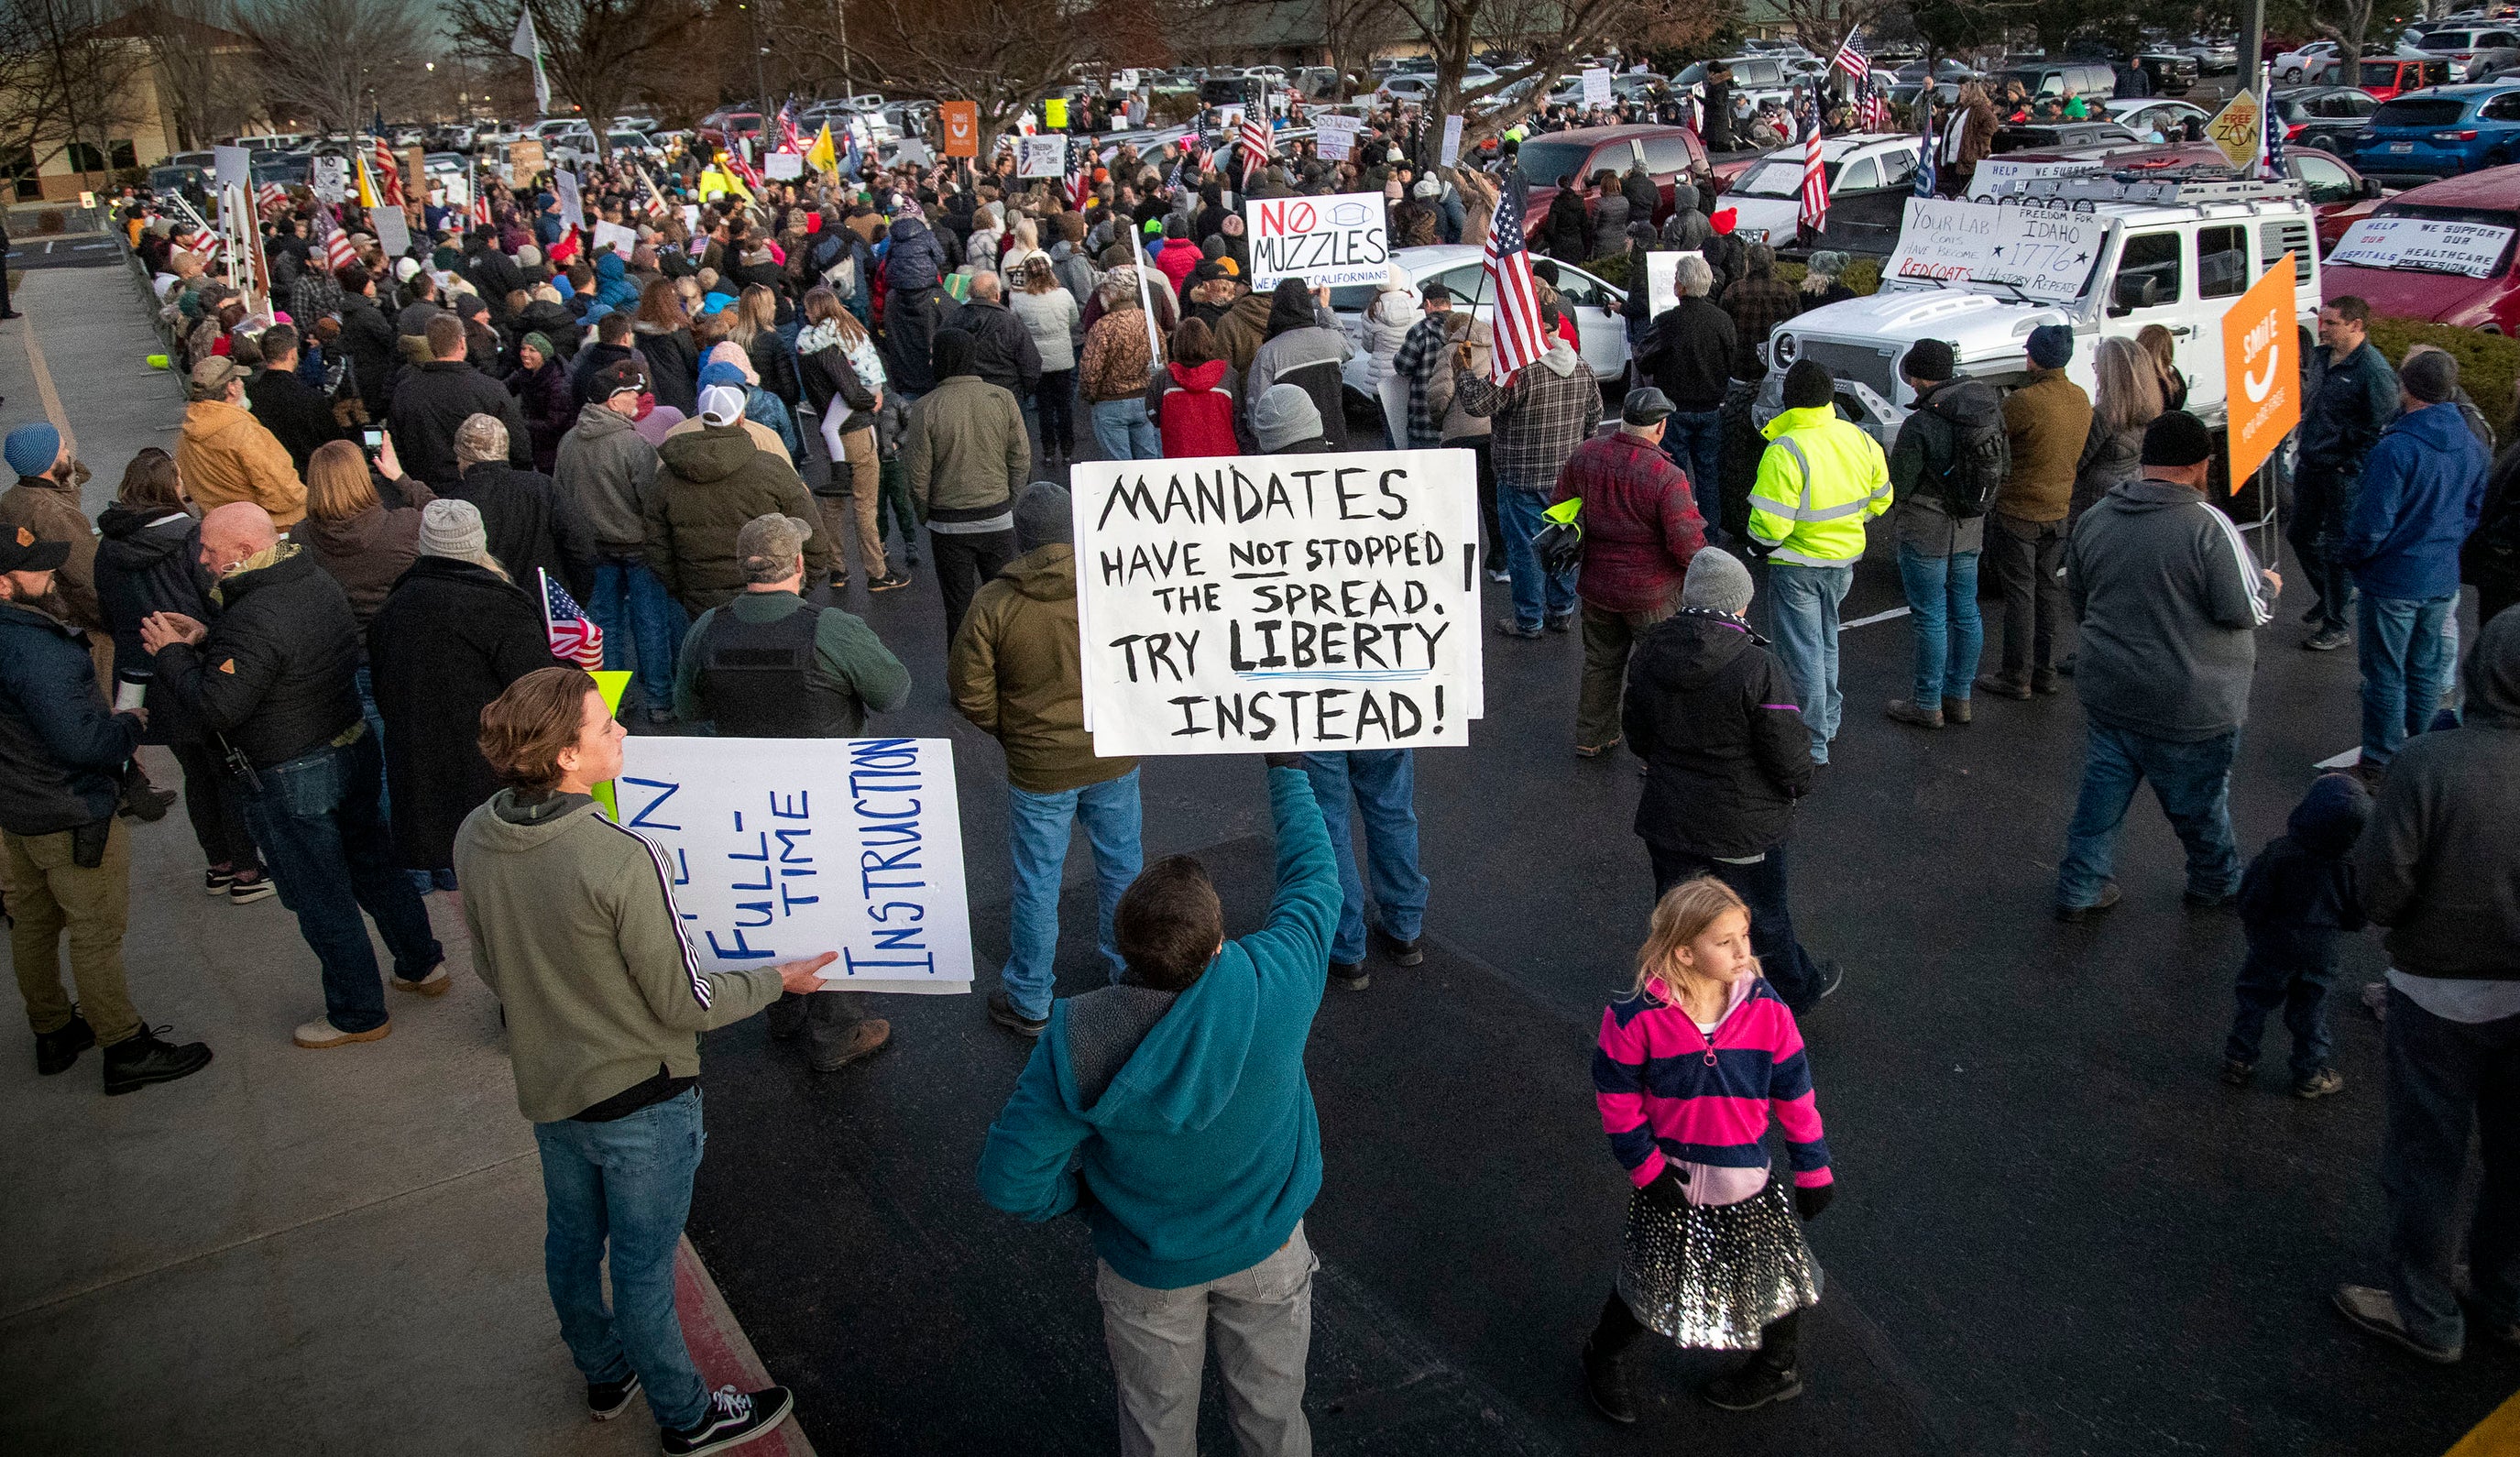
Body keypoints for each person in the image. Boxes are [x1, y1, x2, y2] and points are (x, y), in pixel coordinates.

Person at [455, 667, 822, 1455]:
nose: (623, 734)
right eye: (607, 728)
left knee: (571, 1241)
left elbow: (490, 969)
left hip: (550, 1087)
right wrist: (776, 979)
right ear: (565, 758)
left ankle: (602, 1369)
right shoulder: (619, 854)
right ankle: (689, 1417)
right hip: (641, 1098)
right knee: (646, 1269)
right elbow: (684, 1003)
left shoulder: (476, 832)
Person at [976, 756, 1339, 1457]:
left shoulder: (1076, 1037)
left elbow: (1007, 1179)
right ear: (1217, 941)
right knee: (1272, 1420)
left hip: (1146, 1271)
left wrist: (1083, 1202)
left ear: (1123, 948)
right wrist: (1288, 772)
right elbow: (1315, 876)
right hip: (1266, 1251)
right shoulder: (1278, 980)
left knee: (1156, 1431)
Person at [140, 502, 447, 1046]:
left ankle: (358, 1013)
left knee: (320, 894)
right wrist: (208, 640)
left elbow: (214, 707)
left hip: (290, 773)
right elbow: (278, 659)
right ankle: (422, 965)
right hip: (350, 745)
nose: (204, 560)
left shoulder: (252, 614)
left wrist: (171, 657)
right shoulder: (310, 580)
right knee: (374, 865)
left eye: (210, 549)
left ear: (242, 553)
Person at [2329, 611, 2520, 1364]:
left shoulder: (2428, 763)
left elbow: (2380, 890)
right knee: (2514, 1157)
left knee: (2427, 1153)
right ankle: (2504, 1298)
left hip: (2436, 992)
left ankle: (2427, 1312)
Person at [1583, 877, 1833, 1420]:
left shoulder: (1769, 1012)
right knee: (1648, 1278)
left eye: (1745, 936)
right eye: (1727, 941)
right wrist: (1647, 1170)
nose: (1745, 951)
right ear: (1684, 951)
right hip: (1668, 1182)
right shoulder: (1634, 1018)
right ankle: (1602, 1357)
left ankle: (1777, 1369)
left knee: (1776, 1278)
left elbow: (1796, 1094)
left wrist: (1813, 1168)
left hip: (1748, 1180)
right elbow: (1616, 1100)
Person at [675, 514, 908, 1072]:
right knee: (823, 899)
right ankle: (835, 1031)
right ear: (799, 565)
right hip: (825, 795)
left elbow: (689, 710)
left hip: (742, 793)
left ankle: (779, 1008)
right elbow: (894, 691)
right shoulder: (831, 629)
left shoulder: (707, 628)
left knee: (768, 889)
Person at [0, 524, 214, 1092]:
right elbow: (82, 744)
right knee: (94, 935)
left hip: (17, 811)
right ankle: (125, 1047)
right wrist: (125, 726)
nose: (49, 571)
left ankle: (53, 1031)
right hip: (70, 810)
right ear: (2, 585)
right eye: (33, 567)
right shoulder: (35, 648)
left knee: (34, 925)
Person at [2054, 412, 2278, 921]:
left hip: (2111, 689)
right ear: (2202, 465)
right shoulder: (2209, 526)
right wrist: (2269, 586)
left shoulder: (2096, 518)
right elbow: (2244, 609)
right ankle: (2215, 881)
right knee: (2199, 809)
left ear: (2146, 459)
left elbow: (2081, 599)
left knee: (2099, 803)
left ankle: (2080, 886)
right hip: (2191, 703)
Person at [948, 483, 1145, 1036]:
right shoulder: (1113, 585)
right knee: (1123, 869)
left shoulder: (995, 602)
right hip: (1113, 756)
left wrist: (1011, 731)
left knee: (1038, 880)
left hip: (1038, 768)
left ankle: (1030, 997)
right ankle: (1130, 979)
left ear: (1022, 539)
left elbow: (969, 690)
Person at [1624, 546, 1838, 1009]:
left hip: (1669, 819)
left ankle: (1683, 1001)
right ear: (1738, 602)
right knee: (1761, 919)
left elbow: (1637, 734)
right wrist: (1798, 786)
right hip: (1743, 829)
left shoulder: (1649, 652)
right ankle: (1794, 996)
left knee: (1680, 919)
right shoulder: (1755, 664)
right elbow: (1788, 752)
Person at [92, 448, 268, 904]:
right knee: (226, 770)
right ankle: (248, 871)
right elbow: (214, 597)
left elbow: (107, 610)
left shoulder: (109, 547)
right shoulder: (191, 537)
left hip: (147, 676)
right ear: (169, 487)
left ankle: (219, 864)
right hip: (193, 666)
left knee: (196, 773)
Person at [367, 499, 555, 882]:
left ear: (424, 546)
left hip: (423, 771)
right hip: (490, 775)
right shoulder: (500, 606)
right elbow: (537, 693)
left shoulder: (394, 608)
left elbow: (385, 694)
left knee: (461, 878)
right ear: (478, 542)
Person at [2338, 349, 2489, 775]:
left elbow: (2370, 526)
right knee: (2425, 670)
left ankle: (2381, 760)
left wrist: (2352, 558)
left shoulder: (2396, 448)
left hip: (2392, 580)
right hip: (2441, 577)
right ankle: (2418, 755)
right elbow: (2474, 509)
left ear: (2406, 388)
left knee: (2385, 675)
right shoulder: (2471, 444)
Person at [1747, 358, 1890, 764]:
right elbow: (1882, 497)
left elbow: (1770, 524)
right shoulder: (1859, 438)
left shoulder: (1786, 448)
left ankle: (1811, 743)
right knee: (1827, 642)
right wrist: (1852, 522)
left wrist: (1757, 547)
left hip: (1797, 566)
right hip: (1842, 562)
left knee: (1801, 652)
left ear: (1788, 400)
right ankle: (1827, 721)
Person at [1557, 387, 1706, 757]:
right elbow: (1687, 545)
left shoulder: (1586, 454)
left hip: (1596, 586)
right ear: (1660, 427)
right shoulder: (1666, 476)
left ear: (1623, 418)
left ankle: (1592, 736)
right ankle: (1657, 751)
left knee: (1600, 663)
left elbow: (1561, 506)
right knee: (1661, 671)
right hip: (1651, 594)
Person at [2222, 773, 2369, 1098]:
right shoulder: (2350, 865)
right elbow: (2358, 912)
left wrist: (2254, 924)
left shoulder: (2280, 853)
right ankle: (2309, 1073)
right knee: (2311, 1007)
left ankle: (2239, 1059)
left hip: (2274, 941)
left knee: (2255, 999)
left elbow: (2252, 897)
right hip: (2321, 946)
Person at [554, 360, 682, 723]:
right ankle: (660, 700)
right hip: (638, 550)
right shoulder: (633, 445)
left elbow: (562, 496)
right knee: (650, 621)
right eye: (630, 393)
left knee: (604, 626)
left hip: (594, 551)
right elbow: (652, 502)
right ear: (612, 401)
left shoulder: (569, 442)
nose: (636, 398)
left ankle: (612, 702)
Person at [1454, 323, 1601, 637]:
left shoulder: (1519, 372)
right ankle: (1561, 610)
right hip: (1567, 477)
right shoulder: (1583, 368)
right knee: (1566, 544)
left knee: (1525, 550)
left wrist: (1463, 371)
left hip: (1521, 475)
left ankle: (1528, 620)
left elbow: (1477, 404)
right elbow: (1594, 418)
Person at [1883, 339, 2001, 729]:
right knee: (1966, 612)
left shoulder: (1921, 422)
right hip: (1970, 526)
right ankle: (1960, 697)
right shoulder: (1986, 411)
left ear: (1916, 377)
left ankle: (1927, 703)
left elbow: (1898, 484)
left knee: (1930, 616)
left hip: (1925, 530)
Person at [646, 385, 833, 618]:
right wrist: (800, 586)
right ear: (741, 417)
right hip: (771, 596)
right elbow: (812, 533)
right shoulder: (772, 468)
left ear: (703, 420)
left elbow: (657, 547)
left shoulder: (667, 477)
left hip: (703, 603)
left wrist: (683, 591)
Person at [1981, 323, 2091, 700]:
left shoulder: (2023, 403)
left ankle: (2016, 675)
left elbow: (1993, 440)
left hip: (2018, 510)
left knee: (2020, 596)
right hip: (2058, 509)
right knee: (2047, 591)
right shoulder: (2079, 399)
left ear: (2032, 358)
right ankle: (2044, 671)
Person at [905, 329, 1029, 650]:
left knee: (958, 607)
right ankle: (1009, 671)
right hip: (998, 517)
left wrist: (925, 515)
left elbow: (918, 475)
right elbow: (1020, 458)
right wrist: (1009, 502)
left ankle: (965, 680)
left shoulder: (925, 407)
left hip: (948, 525)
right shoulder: (1002, 398)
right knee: (1004, 603)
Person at [2295, 297, 2400, 652]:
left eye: (2331, 323)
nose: (2321, 329)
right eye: (2321, 321)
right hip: (2312, 464)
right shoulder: (2322, 357)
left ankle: (2336, 624)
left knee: (2336, 548)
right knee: (2300, 535)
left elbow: (2382, 428)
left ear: (2356, 325)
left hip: (2341, 473)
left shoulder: (2373, 371)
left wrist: (2350, 465)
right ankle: (2332, 596)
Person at [794, 287, 906, 594]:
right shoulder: (836, 345)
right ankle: (876, 572)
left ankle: (837, 569)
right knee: (865, 504)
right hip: (856, 429)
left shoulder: (805, 347)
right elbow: (851, 388)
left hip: (832, 435)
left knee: (833, 504)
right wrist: (872, 402)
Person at [443, 413, 596, 601]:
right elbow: (581, 545)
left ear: (463, 457)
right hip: (544, 608)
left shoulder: (456, 502)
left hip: (486, 610)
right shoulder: (542, 487)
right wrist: (573, 598)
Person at [1633, 256, 1736, 533]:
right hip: (1712, 408)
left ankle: (1675, 532)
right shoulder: (1723, 321)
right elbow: (1731, 362)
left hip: (1675, 410)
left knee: (1672, 477)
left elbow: (1643, 358)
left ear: (1682, 286)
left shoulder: (1667, 321)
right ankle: (1709, 536)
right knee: (1708, 476)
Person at [390, 314, 533, 492]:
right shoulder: (490, 389)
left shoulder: (405, 390)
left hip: (427, 494)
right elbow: (520, 448)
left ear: (431, 345)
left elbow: (397, 448)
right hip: (482, 493)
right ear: (461, 343)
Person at [174, 356, 307, 527]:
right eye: (239, 379)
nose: (243, 384)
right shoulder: (245, 433)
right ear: (231, 389)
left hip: (219, 528)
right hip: (266, 531)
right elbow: (285, 494)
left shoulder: (187, 435)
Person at [1243, 279, 1353, 454]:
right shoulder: (1331, 341)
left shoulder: (1268, 353)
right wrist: (1324, 308)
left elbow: (1257, 409)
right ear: (1308, 306)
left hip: (1289, 447)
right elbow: (1347, 347)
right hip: (1334, 440)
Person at [2072, 335, 2165, 527]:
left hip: (2095, 500)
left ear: (2111, 373)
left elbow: (2076, 463)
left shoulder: (2103, 415)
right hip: (2132, 489)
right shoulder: (2149, 408)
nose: (2096, 372)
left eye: (2098, 366)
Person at [1010, 257, 1081, 466]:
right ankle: (1067, 450)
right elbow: (1074, 319)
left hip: (1037, 360)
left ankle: (1048, 451)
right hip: (1062, 358)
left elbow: (1017, 327)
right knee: (1064, 405)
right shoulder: (1064, 295)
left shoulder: (1020, 300)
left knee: (1044, 407)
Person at [247, 323, 345, 474]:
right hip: (312, 476)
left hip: (272, 475)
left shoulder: (251, 395)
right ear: (292, 353)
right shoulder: (310, 398)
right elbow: (335, 443)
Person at [1386, 281, 1458, 452]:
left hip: (1425, 420)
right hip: (1458, 422)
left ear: (1428, 304)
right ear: (1450, 304)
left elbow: (1402, 367)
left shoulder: (1420, 331)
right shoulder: (1465, 329)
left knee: (1421, 474)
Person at [1718, 245, 1799, 382]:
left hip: (1740, 369)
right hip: (1774, 369)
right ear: (1772, 264)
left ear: (1748, 263)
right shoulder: (1787, 292)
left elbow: (1721, 328)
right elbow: (1795, 331)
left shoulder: (1734, 290)